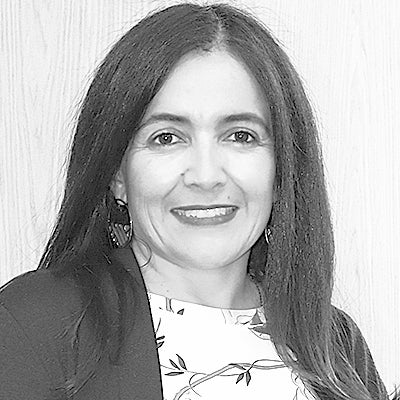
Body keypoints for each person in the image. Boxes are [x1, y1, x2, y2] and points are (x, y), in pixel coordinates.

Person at [0, 3, 390, 400]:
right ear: (118, 174)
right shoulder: (34, 326)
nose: (205, 176)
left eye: (240, 136)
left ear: (282, 169)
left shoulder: (336, 345)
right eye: (167, 138)